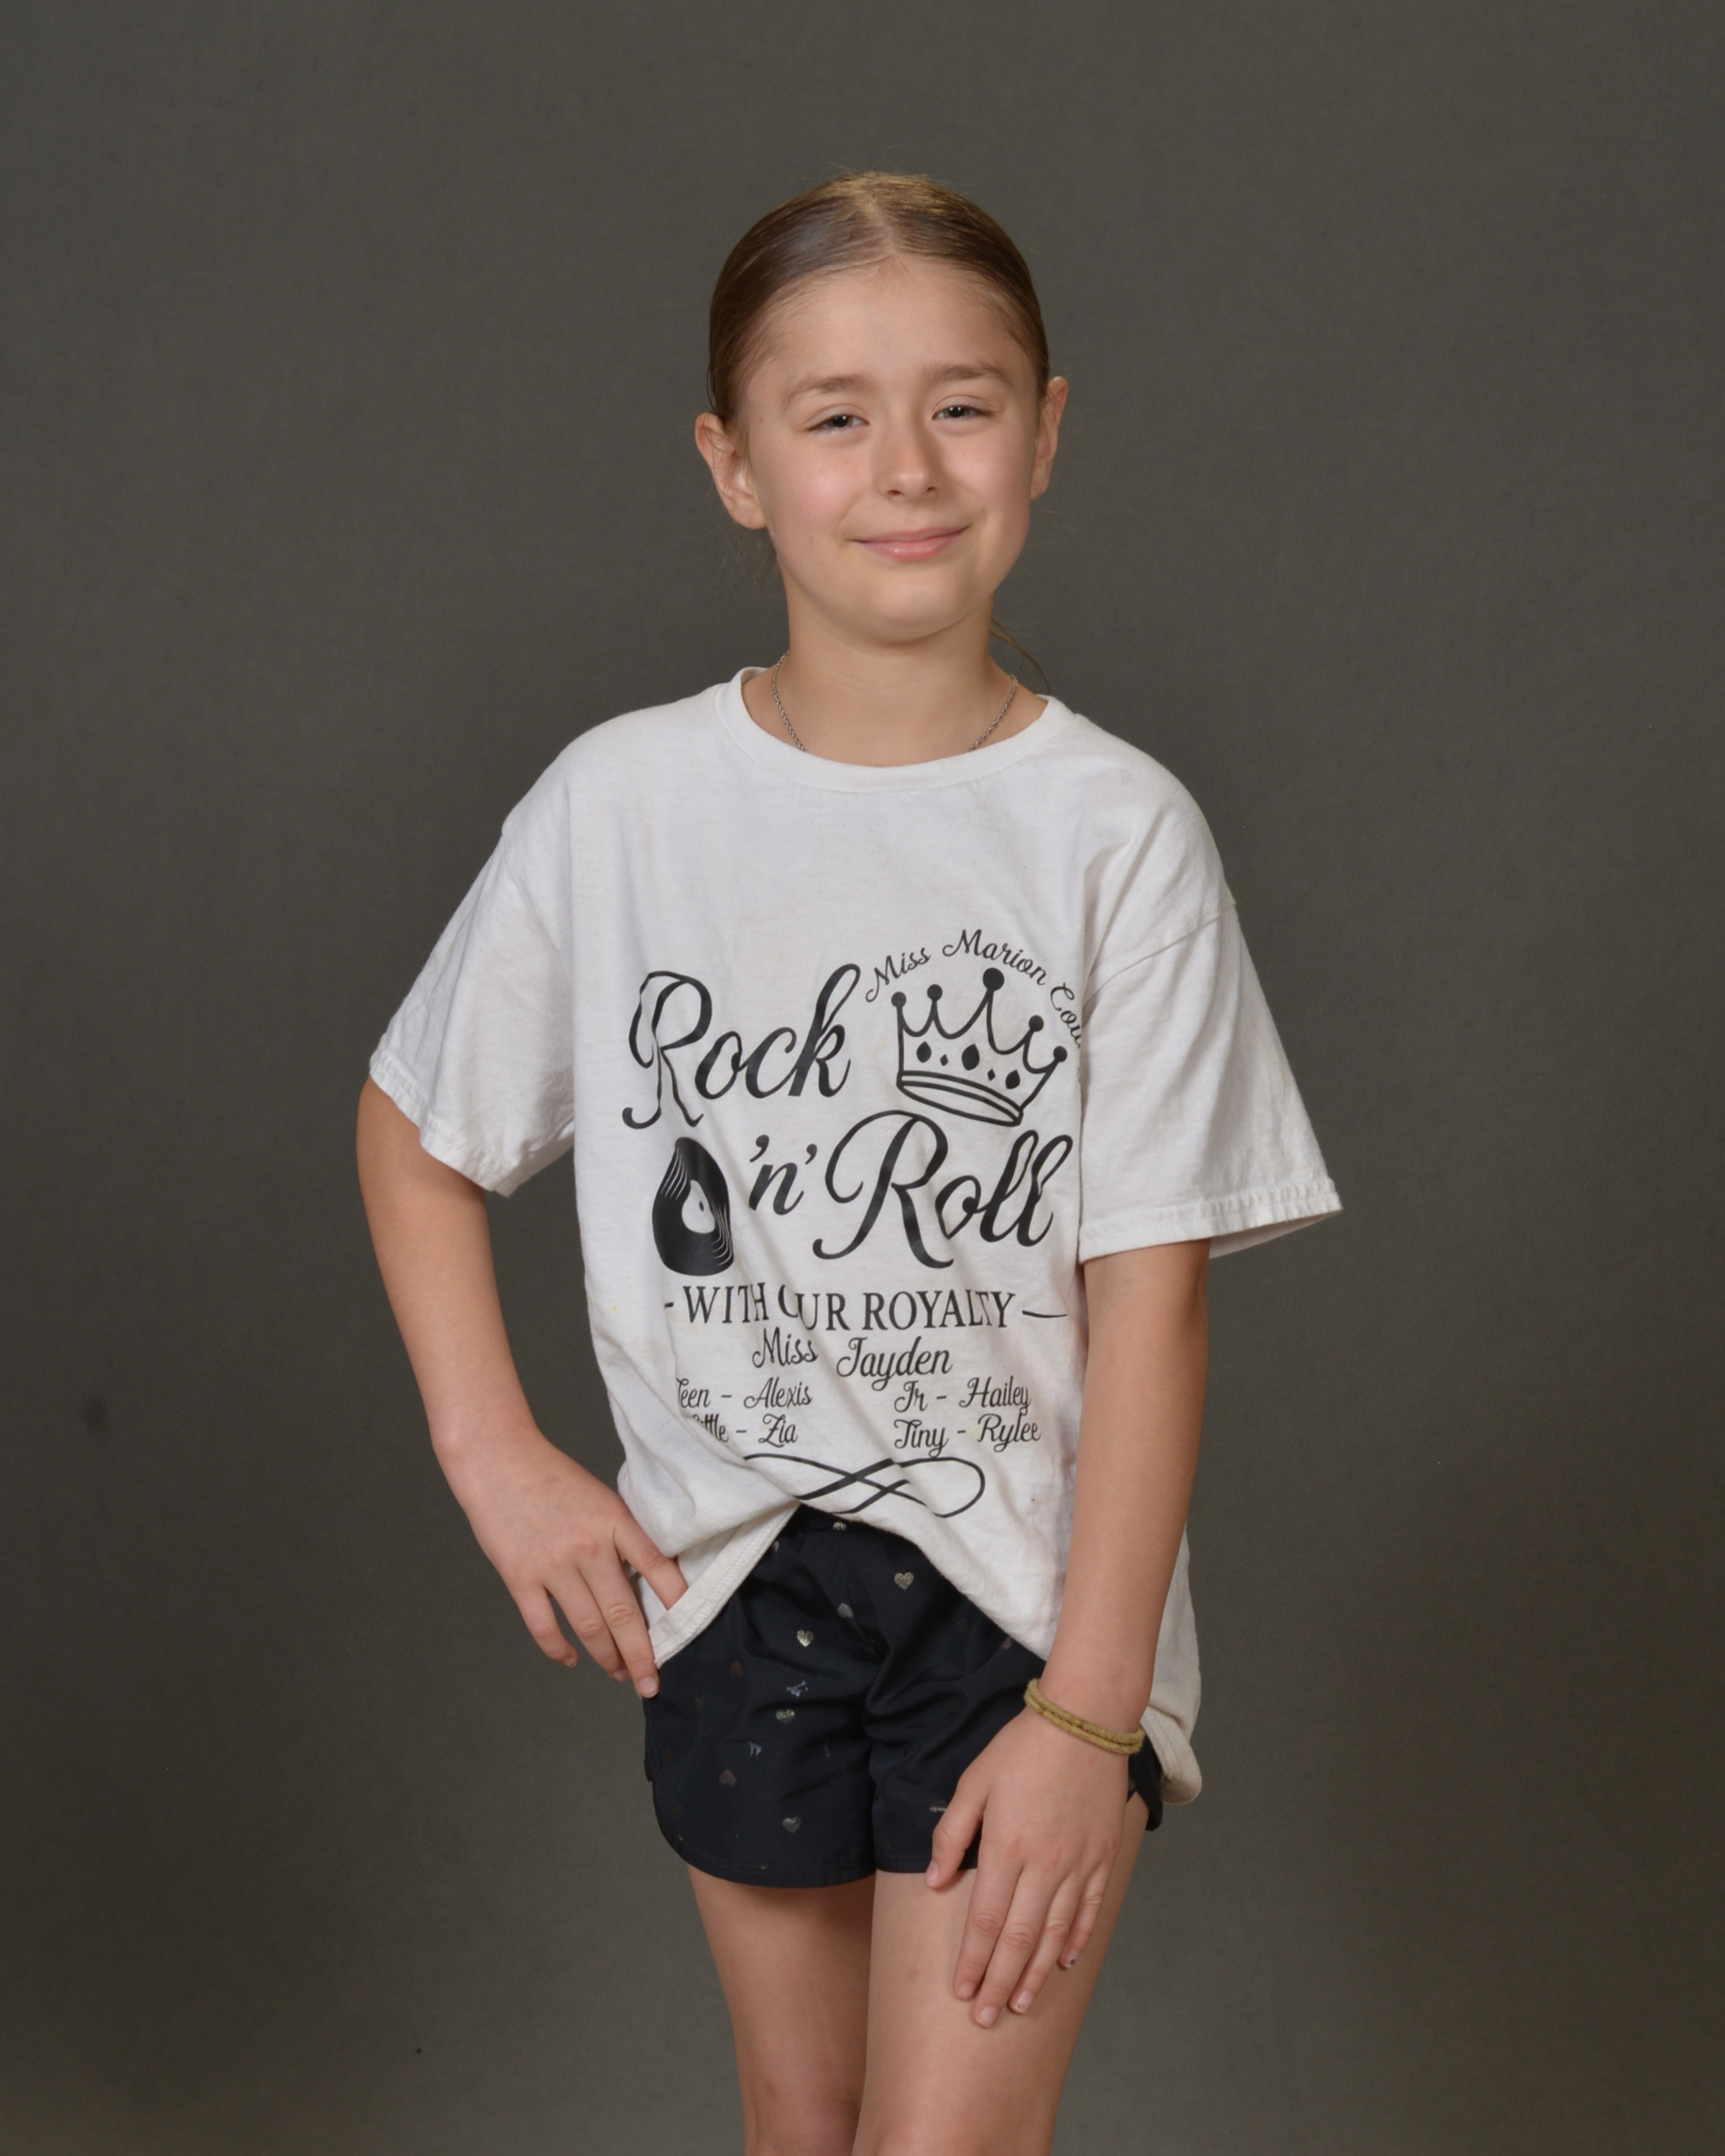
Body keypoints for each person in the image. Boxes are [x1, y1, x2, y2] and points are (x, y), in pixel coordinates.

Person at [356, 171, 1339, 2156]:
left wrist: (1091, 1710)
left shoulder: (1116, 835)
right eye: (834, 416)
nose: (906, 467)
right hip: (735, 1586)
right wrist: (494, 1455)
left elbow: (1150, 1311)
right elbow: (416, 1129)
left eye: (962, 406)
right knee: (803, 2132)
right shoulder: (623, 806)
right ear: (735, 466)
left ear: (1045, 432)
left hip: (1027, 1608)